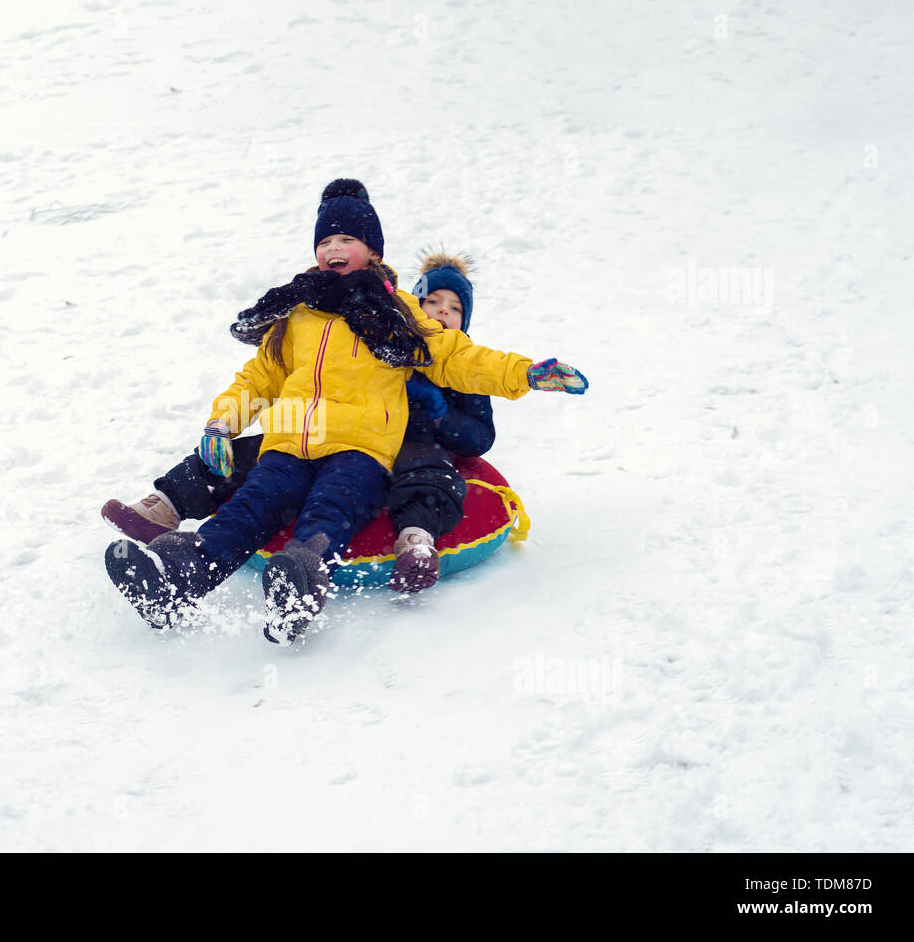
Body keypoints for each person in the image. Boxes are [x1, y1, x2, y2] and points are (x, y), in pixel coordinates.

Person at [104, 178, 588, 644]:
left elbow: (456, 356)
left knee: (330, 512)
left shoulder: (397, 311)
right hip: (290, 440)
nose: (334, 247)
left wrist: (525, 373)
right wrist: (221, 423)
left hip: (360, 447)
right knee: (251, 505)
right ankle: (176, 582)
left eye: (348, 238)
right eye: (326, 239)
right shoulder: (297, 312)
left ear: (373, 251)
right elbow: (261, 377)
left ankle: (300, 585)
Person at [101, 250, 493, 595]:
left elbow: (479, 437)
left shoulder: (459, 364)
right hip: (347, 434)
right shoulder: (390, 338)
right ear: (411, 307)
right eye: (432, 301)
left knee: (430, 473)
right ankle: (167, 505)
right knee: (258, 450)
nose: (442, 311)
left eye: (455, 307)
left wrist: (439, 412)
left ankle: (416, 542)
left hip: (408, 447)